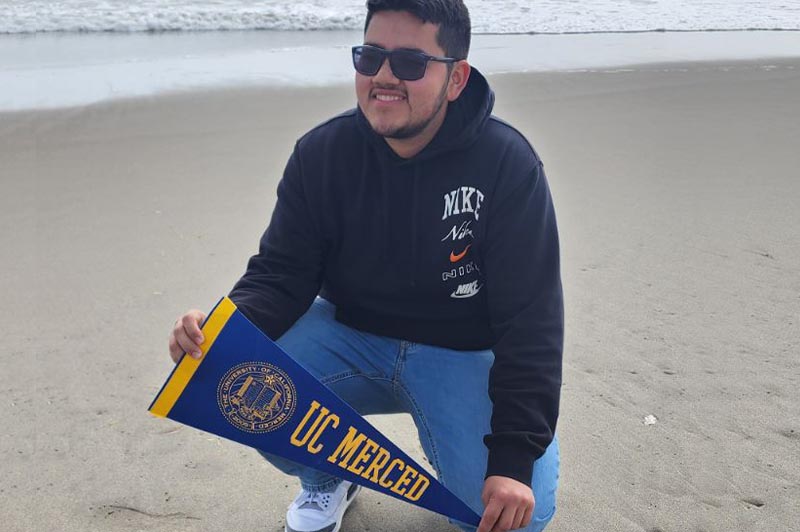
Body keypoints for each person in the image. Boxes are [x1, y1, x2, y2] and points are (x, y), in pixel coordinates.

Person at [168, 1, 563, 531]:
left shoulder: (506, 165)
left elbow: (531, 322)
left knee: (516, 517)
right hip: (351, 334)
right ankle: (327, 479)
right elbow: (280, 274)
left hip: (463, 353)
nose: (383, 77)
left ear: (455, 78)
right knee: (231, 380)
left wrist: (514, 460)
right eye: (370, 56)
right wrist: (219, 332)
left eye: (409, 63)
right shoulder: (321, 154)